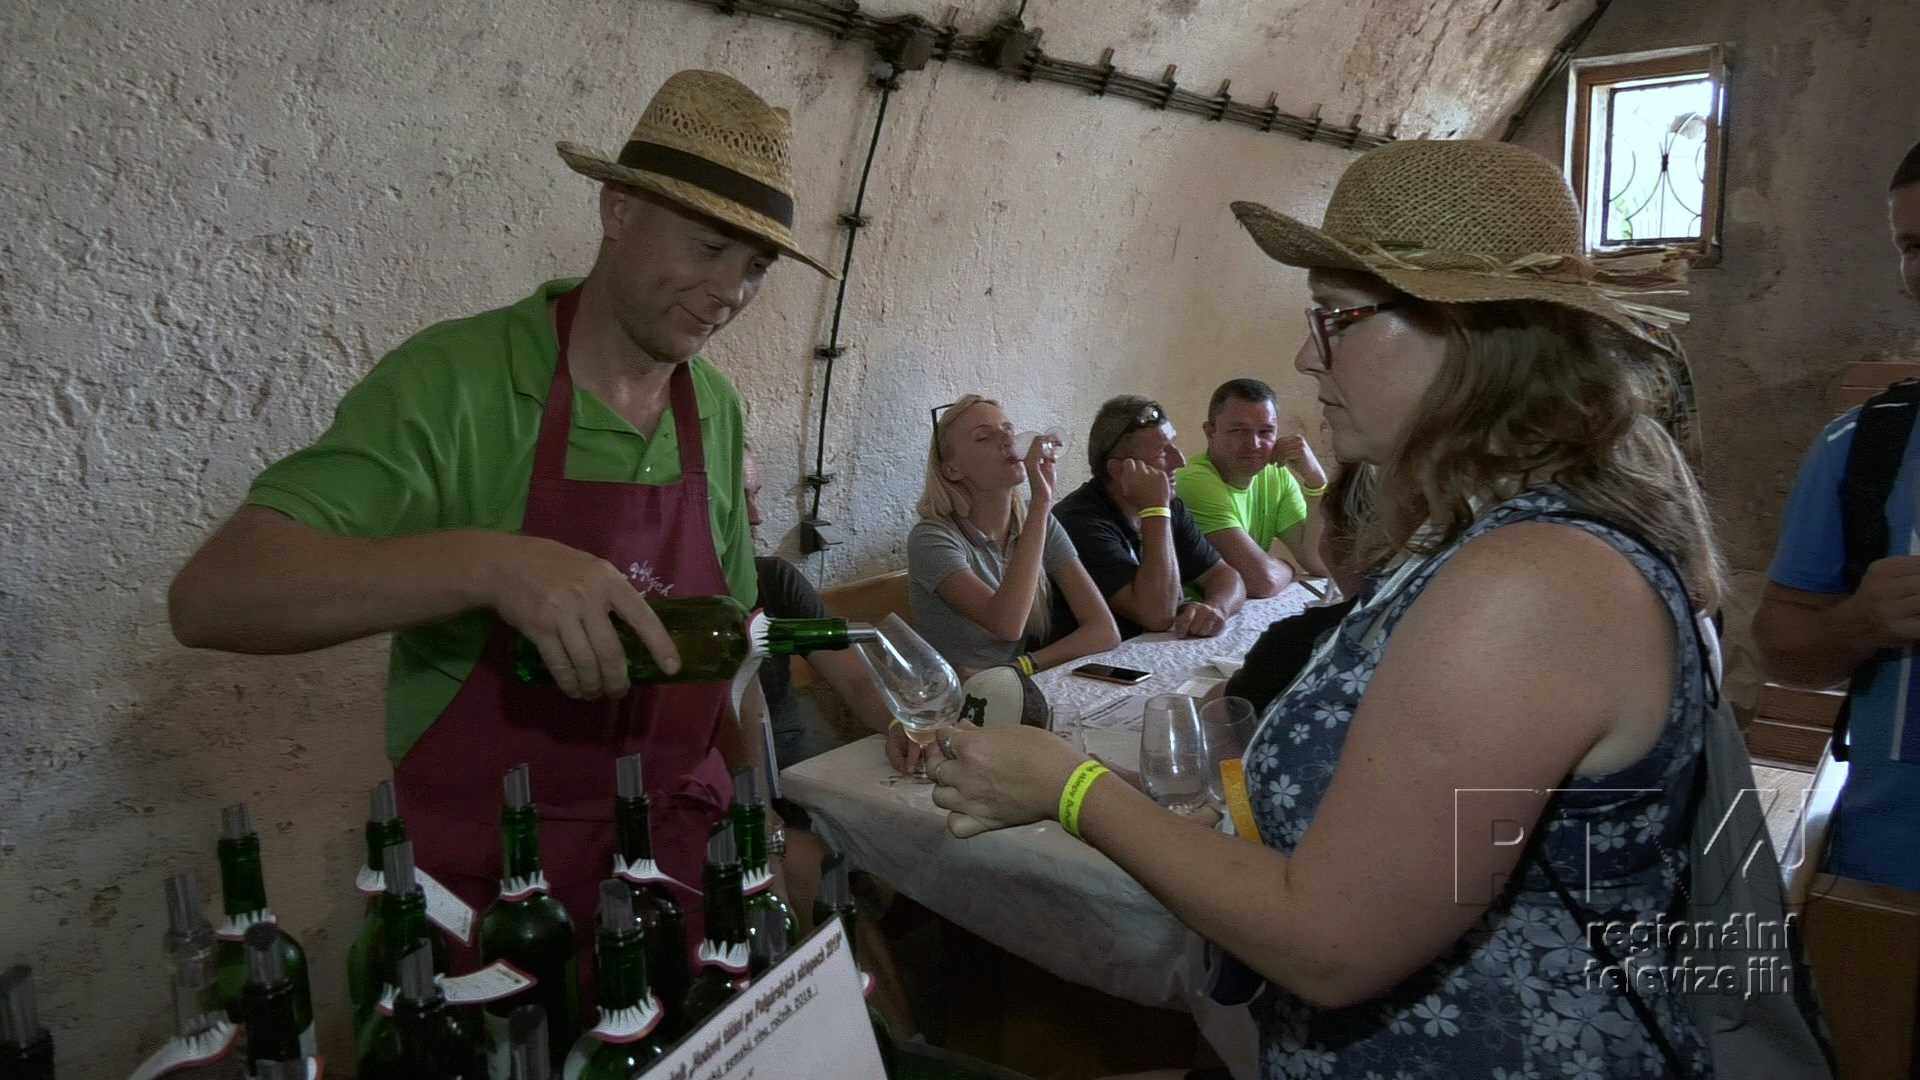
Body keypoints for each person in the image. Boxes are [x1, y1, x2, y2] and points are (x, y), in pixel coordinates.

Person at [926, 139, 1724, 1077]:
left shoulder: (1531, 582)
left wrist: (1070, 789)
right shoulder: (1489, 540)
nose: (1308, 354)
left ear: (1466, 333)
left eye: (1336, 317)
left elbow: (1333, 941)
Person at [167, 70, 834, 956]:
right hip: (496, 882)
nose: (730, 292)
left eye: (754, 267)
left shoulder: (715, 406)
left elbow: (735, 652)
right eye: (709, 248)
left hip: (680, 861)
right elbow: (213, 598)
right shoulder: (456, 381)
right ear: (619, 209)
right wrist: (491, 565)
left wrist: (762, 822)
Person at [1750, 139, 1920, 891]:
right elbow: (1783, 648)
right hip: (1887, 880)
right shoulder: (1863, 447)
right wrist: (1860, 623)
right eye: (1913, 247)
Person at [908, 395, 1119, 678]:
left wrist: (1020, 667)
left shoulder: (1037, 523)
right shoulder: (930, 539)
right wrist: (1042, 502)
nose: (1007, 440)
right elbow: (1007, 624)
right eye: (984, 437)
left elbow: (1104, 630)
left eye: (1008, 429)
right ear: (952, 470)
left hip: (1009, 683)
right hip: (957, 694)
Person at [741, 450, 895, 769]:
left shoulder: (774, 580)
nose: (756, 516)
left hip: (792, 772)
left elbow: (856, 681)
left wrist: (901, 725)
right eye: (735, 497)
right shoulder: (664, 601)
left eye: (754, 495)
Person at [1050, 395, 1246, 639]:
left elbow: (1226, 576)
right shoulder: (1078, 521)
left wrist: (1216, 608)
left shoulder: (1170, 506)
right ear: (1119, 470)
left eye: (1174, 445)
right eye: (1163, 453)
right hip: (1088, 659)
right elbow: (1157, 615)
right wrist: (1155, 509)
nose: (1180, 461)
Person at [1174, 379, 1331, 597]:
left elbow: (1321, 564)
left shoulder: (1276, 475)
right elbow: (1262, 581)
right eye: (1238, 430)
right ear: (1210, 432)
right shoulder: (1194, 482)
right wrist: (1286, 566)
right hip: (1185, 613)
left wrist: (1316, 481)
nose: (1253, 444)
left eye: (1265, 431)